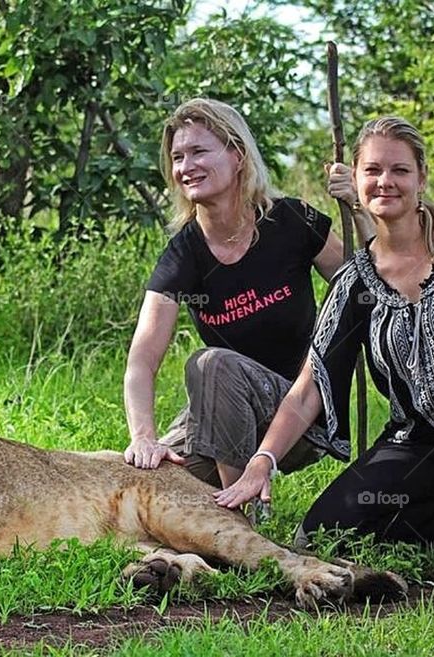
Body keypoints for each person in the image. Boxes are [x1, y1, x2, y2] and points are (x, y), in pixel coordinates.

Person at [214, 116, 434, 589]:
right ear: (356, 183)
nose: (386, 182)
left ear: (421, 178)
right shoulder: (354, 283)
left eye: (400, 171)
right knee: (323, 535)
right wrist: (263, 460)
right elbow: (308, 389)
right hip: (420, 442)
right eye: (373, 171)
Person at [123, 97, 362, 490]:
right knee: (144, 483)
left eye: (199, 151)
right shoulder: (184, 251)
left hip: (299, 411)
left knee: (212, 364)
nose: (186, 167)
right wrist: (143, 437)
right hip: (220, 417)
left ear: (237, 156)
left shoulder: (290, 221)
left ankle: (240, 516)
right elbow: (141, 362)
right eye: (178, 157)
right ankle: (208, 512)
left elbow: (364, 285)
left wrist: (359, 205)